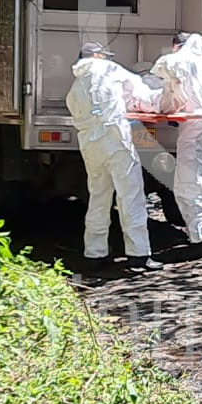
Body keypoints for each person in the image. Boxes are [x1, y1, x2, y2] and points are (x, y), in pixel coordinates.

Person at [66, 42, 163, 270]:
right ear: (98, 56)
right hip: (116, 141)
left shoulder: (75, 88)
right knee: (130, 196)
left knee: (99, 197)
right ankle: (138, 254)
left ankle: (94, 253)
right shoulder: (109, 71)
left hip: (91, 146)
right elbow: (141, 92)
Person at [151, 32, 202, 259]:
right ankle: (201, 234)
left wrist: (163, 107)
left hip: (195, 128)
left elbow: (169, 92)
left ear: (176, 46)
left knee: (188, 185)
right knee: (201, 180)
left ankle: (201, 241)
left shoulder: (178, 61)